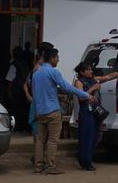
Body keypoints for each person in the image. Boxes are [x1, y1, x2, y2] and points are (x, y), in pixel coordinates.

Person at [31, 47, 89, 175]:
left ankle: (38, 167)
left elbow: (35, 94)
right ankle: (50, 166)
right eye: (57, 57)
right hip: (52, 111)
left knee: (39, 140)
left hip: (40, 111)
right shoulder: (54, 72)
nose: (58, 60)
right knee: (52, 140)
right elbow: (67, 87)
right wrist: (85, 95)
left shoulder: (36, 74)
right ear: (52, 58)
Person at [71, 61, 118, 171]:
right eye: (88, 70)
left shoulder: (94, 79)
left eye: (91, 69)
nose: (91, 71)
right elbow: (81, 98)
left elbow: (108, 77)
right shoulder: (79, 82)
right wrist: (93, 88)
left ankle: (88, 158)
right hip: (86, 112)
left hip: (96, 112)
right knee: (86, 137)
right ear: (82, 72)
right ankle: (85, 162)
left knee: (95, 136)